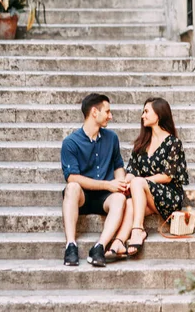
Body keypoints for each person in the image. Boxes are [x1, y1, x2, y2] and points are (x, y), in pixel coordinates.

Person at [104, 96, 189, 262]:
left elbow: (167, 176)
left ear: (158, 115)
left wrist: (140, 182)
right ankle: (119, 242)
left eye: (146, 111)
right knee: (129, 202)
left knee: (138, 182)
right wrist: (126, 182)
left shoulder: (173, 143)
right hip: (147, 194)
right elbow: (132, 170)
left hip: (170, 196)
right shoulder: (142, 143)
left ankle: (138, 229)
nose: (142, 115)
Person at [61, 93, 127, 267]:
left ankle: (99, 247)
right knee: (72, 186)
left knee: (120, 198)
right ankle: (71, 246)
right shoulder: (70, 142)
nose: (111, 116)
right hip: (82, 197)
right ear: (94, 112)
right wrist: (108, 184)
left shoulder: (112, 138)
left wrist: (121, 183)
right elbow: (72, 177)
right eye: (107, 111)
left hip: (105, 198)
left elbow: (118, 165)